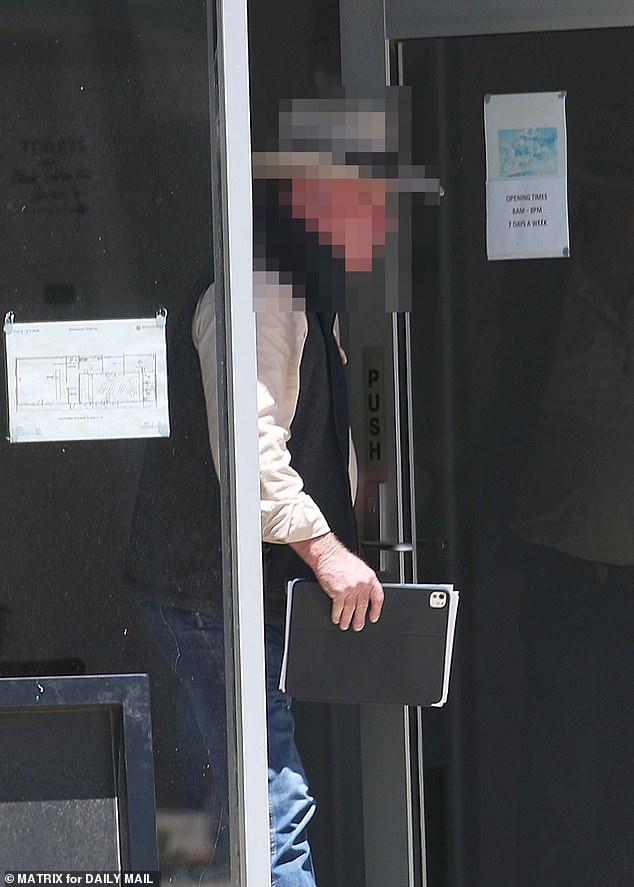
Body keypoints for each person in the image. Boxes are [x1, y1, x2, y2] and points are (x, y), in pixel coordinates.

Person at [127, 90, 440, 885]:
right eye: (375, 201)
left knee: (233, 811)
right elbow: (253, 455)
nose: (385, 223)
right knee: (270, 810)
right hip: (212, 599)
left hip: (223, 596)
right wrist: (329, 551)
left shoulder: (298, 283)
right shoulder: (261, 287)